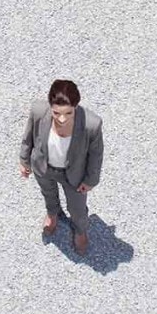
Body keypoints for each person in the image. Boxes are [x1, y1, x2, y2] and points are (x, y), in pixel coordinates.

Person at [18, 80, 103, 254]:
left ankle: (80, 230)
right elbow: (28, 137)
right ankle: (52, 213)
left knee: (77, 208)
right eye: (56, 113)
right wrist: (24, 160)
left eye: (68, 113)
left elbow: (96, 155)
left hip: (74, 174)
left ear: (76, 106)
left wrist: (91, 180)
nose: (62, 119)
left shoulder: (91, 125)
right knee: (48, 194)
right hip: (44, 167)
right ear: (50, 106)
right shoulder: (38, 111)